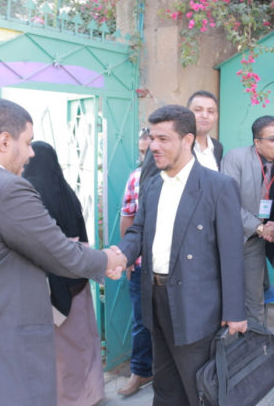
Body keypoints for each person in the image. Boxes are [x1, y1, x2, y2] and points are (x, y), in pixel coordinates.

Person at [0, 99, 125, 405]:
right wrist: (108, 259)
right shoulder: (7, 188)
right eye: (27, 142)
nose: (31, 153)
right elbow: (60, 252)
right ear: (4, 141)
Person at [117, 104, 247, 406]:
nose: (154, 146)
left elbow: (231, 253)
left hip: (197, 307)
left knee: (199, 389)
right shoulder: (151, 185)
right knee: (165, 388)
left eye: (163, 139)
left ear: (187, 140)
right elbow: (138, 231)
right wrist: (120, 255)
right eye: (152, 138)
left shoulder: (218, 186)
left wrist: (235, 312)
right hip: (155, 301)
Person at [23, 141, 105, 406]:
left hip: (51, 288)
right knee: (85, 343)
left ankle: (67, 400)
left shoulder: (30, 196)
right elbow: (82, 240)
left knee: (60, 352)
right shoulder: (68, 193)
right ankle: (92, 394)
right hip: (78, 282)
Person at [221, 115, 274, 325]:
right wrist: (259, 227)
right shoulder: (236, 158)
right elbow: (228, 203)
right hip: (235, 237)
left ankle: (255, 340)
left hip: (260, 240)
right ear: (257, 143)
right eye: (273, 138)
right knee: (231, 298)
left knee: (255, 299)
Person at [117, 128, 154, 396]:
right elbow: (127, 218)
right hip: (142, 265)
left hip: (176, 267)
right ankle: (140, 371)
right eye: (141, 151)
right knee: (141, 321)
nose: (145, 156)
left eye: (148, 150)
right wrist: (128, 258)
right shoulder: (136, 177)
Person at [140, 90, 224, 192]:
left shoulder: (217, 147)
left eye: (211, 111)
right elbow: (146, 187)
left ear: (216, 116)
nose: (204, 115)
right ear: (188, 113)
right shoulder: (164, 145)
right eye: (198, 110)